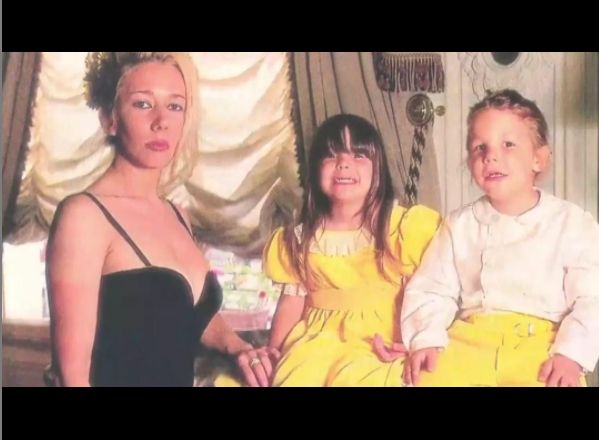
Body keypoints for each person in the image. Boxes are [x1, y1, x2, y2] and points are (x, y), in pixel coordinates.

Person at [46, 52, 278, 387]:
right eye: (143, 104)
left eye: (175, 106)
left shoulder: (176, 214)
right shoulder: (84, 217)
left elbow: (190, 314)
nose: (161, 121)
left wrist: (239, 347)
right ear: (109, 118)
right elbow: (72, 376)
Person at [400, 89, 599, 387]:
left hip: (542, 347)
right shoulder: (459, 224)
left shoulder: (572, 223)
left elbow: (592, 299)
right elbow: (431, 289)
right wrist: (425, 339)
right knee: (420, 380)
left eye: (508, 144)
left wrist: (570, 355)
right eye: (479, 147)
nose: (490, 155)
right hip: (469, 341)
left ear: (538, 159)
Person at [245, 113, 440, 386]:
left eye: (359, 155)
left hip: (384, 343)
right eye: (331, 155)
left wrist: (418, 340)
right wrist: (274, 353)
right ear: (315, 169)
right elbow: (291, 304)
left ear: (379, 168)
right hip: (315, 346)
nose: (344, 163)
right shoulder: (299, 239)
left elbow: (428, 293)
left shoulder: (402, 229)